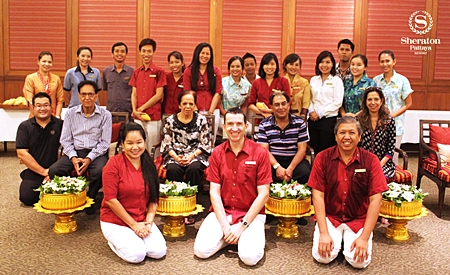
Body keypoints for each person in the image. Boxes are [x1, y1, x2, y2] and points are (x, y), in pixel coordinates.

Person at [194, 108, 272, 266]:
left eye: (238, 124)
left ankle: (240, 237)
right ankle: (231, 238)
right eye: (230, 124)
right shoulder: (216, 153)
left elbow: (264, 194)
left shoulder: (260, 153)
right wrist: (225, 226)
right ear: (223, 126)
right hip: (224, 212)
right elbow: (214, 193)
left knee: (249, 258)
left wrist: (242, 226)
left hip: (251, 214)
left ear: (246, 126)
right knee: (201, 251)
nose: (234, 128)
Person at [308, 116, 388, 269]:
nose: (346, 137)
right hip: (331, 217)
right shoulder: (322, 158)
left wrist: (364, 238)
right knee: (323, 257)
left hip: (358, 219)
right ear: (336, 136)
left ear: (359, 136)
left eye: (352, 133)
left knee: (359, 262)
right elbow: (317, 195)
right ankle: (337, 240)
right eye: (342, 132)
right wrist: (324, 233)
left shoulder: (371, 160)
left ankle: (345, 241)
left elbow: (376, 200)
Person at [100, 122, 167, 263]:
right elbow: (110, 199)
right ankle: (113, 243)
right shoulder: (113, 165)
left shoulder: (149, 165)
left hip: (141, 219)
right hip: (115, 221)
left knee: (159, 252)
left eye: (139, 142)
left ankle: (135, 238)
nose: (135, 147)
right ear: (122, 144)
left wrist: (148, 222)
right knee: (137, 256)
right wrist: (134, 225)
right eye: (129, 143)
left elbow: (154, 198)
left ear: (144, 142)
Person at [49, 80, 112, 214]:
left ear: (96, 96)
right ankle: (71, 197)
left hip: (96, 153)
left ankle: (90, 197)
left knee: (101, 171)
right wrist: (73, 157)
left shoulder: (105, 115)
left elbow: (104, 143)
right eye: (83, 94)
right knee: (54, 170)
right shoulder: (70, 114)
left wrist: (89, 158)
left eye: (90, 94)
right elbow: (65, 140)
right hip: (74, 151)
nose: (87, 98)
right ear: (78, 96)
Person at [16, 92, 63, 206]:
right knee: (26, 197)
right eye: (38, 105)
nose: (42, 108)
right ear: (32, 107)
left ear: (51, 106)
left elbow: (67, 150)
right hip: (35, 170)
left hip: (57, 171)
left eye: (46, 105)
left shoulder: (61, 125)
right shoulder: (25, 126)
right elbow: (22, 153)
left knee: (65, 195)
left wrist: (52, 173)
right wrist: (43, 172)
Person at [161, 90, 211, 191]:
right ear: (179, 105)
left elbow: (205, 143)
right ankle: (176, 199)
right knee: (173, 169)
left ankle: (193, 199)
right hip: (175, 155)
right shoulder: (170, 121)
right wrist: (176, 157)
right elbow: (166, 144)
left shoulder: (202, 120)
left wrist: (191, 156)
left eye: (191, 104)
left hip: (196, 155)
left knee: (194, 168)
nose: (188, 106)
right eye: (184, 103)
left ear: (194, 106)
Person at [258, 91, 311, 184]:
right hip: (273, 161)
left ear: (289, 105)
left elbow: (302, 150)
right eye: (277, 105)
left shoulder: (299, 123)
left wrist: (290, 169)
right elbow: (264, 150)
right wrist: (277, 167)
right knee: (263, 173)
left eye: (283, 104)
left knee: (305, 172)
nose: (281, 107)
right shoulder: (264, 124)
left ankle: (298, 197)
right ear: (272, 107)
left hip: (294, 161)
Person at [373, 50, 413, 163]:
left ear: (394, 61)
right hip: (378, 124)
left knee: (392, 157)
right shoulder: (376, 81)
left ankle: (392, 179)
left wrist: (392, 115)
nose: (385, 64)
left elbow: (408, 103)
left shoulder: (402, 81)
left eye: (387, 61)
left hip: (396, 124)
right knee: (377, 156)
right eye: (382, 61)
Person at [130, 38, 166, 150]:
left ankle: (152, 168)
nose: (146, 54)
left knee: (152, 148)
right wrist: (135, 110)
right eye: (144, 51)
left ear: (154, 52)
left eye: (149, 51)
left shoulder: (159, 71)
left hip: (153, 116)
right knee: (138, 147)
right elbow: (133, 94)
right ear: (140, 52)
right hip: (138, 117)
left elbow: (159, 95)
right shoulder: (136, 72)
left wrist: (142, 108)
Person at [308, 51, 344, 154]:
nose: (324, 65)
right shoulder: (313, 80)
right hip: (312, 120)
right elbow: (309, 98)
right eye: (321, 62)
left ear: (332, 64)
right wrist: (311, 111)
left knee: (326, 151)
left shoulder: (336, 80)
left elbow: (337, 102)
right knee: (314, 149)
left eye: (327, 62)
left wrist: (319, 113)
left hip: (328, 121)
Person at [358, 87, 396, 181]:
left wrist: (379, 164)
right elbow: (355, 145)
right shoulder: (358, 120)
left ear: (381, 100)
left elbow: (390, 149)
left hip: (383, 163)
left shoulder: (389, 121)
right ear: (365, 102)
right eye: (369, 99)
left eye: (376, 99)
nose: (373, 103)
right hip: (361, 161)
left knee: (377, 177)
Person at [183, 42, 222, 135]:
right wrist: (195, 110)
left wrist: (210, 112)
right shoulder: (188, 71)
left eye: (207, 53)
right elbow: (187, 92)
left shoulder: (216, 70)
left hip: (212, 108)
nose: (205, 56)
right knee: (196, 135)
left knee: (211, 137)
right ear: (197, 54)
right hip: (194, 108)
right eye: (202, 53)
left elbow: (218, 92)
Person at [248, 53, 291, 118]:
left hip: (280, 118)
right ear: (262, 66)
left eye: (272, 64)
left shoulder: (284, 81)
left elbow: (288, 103)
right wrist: (262, 113)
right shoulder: (256, 82)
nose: (269, 67)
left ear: (276, 66)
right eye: (267, 64)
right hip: (261, 119)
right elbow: (250, 104)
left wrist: (270, 111)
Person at [23, 51, 64, 118]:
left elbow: (60, 99)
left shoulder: (56, 78)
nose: (47, 64)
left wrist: (57, 116)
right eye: (44, 61)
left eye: (49, 62)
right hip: (36, 117)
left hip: (53, 117)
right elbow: (30, 100)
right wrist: (37, 117)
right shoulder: (31, 78)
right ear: (38, 62)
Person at [220, 56, 251, 137]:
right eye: (232, 66)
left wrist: (241, 117)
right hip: (223, 115)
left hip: (239, 117)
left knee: (249, 129)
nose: (235, 69)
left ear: (242, 68)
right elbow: (218, 104)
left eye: (238, 66)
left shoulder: (247, 85)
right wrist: (226, 115)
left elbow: (245, 104)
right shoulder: (222, 83)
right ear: (229, 69)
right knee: (227, 129)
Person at [103, 42, 134, 115]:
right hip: (111, 112)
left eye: (122, 51)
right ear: (112, 54)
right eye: (117, 51)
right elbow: (106, 89)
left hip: (128, 112)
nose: (119, 54)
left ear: (126, 54)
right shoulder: (106, 71)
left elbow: (135, 92)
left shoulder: (133, 71)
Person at [282, 53, 310, 119]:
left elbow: (306, 102)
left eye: (297, 65)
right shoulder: (280, 81)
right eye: (291, 64)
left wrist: (303, 115)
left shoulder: (304, 82)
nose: (294, 67)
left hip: (299, 116)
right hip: (282, 117)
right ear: (285, 65)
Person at [162, 51, 185, 115]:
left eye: (177, 62)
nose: (174, 65)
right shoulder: (165, 77)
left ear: (182, 63)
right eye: (171, 63)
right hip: (166, 113)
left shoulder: (187, 78)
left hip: (182, 115)